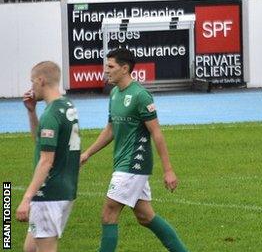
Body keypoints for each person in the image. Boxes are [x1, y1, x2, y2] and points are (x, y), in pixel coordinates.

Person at [80, 48, 188, 252]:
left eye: (110, 67)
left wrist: (168, 170)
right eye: (106, 66)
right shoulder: (114, 94)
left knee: (108, 214)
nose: (106, 71)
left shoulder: (140, 96)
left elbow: (156, 133)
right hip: (124, 164)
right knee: (145, 217)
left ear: (125, 68)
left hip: (133, 164)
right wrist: (87, 153)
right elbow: (110, 129)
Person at [17, 61, 80, 252]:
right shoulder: (66, 105)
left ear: (41, 80)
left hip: (49, 193)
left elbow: (46, 160)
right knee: (30, 248)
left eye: (32, 81)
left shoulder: (51, 114)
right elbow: (41, 142)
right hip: (65, 188)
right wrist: (31, 112)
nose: (31, 86)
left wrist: (27, 198)